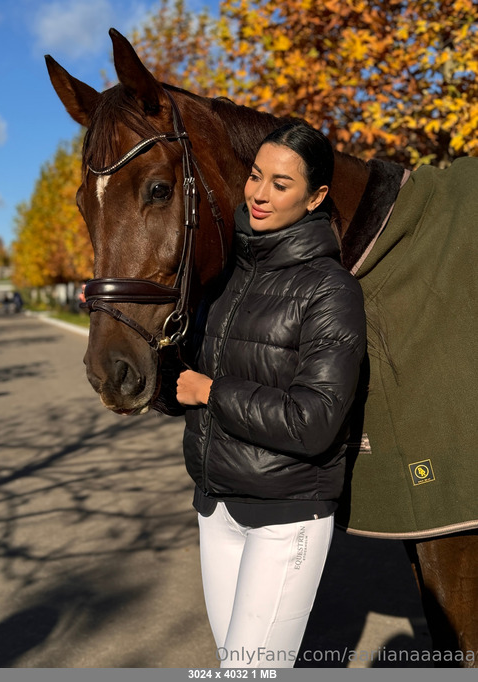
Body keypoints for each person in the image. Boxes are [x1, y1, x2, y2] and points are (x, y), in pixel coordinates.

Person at [176, 121, 366, 668]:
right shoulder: (224, 275)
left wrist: (212, 392)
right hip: (217, 509)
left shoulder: (331, 290)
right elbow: (186, 384)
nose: (259, 194)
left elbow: (314, 421)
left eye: (281, 184)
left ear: (316, 197)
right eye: (256, 176)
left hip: (287, 516)